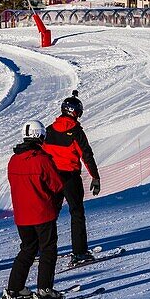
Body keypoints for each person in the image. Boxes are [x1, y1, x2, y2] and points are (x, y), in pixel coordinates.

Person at [2, 121, 66, 299]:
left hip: (22, 216)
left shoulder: (14, 160)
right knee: (47, 250)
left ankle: (15, 288)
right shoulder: (42, 159)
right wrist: (56, 205)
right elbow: (56, 185)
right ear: (40, 136)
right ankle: (44, 290)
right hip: (42, 213)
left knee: (27, 249)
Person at [43, 90, 101, 266]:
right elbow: (86, 155)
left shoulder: (49, 130)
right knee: (76, 213)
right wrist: (95, 177)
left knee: (50, 213)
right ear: (76, 112)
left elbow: (42, 154)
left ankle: (46, 249)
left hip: (52, 177)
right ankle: (80, 252)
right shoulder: (76, 131)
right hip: (70, 177)